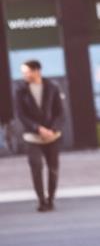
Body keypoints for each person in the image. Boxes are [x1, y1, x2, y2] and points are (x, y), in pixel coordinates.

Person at [13, 60, 64, 212]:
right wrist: (37, 128)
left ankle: (51, 199)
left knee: (53, 168)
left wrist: (52, 129)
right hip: (32, 136)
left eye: (27, 71)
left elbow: (60, 112)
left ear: (37, 71)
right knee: (36, 166)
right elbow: (21, 114)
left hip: (52, 135)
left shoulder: (52, 87)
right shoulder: (20, 90)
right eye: (23, 72)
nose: (24, 75)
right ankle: (41, 200)